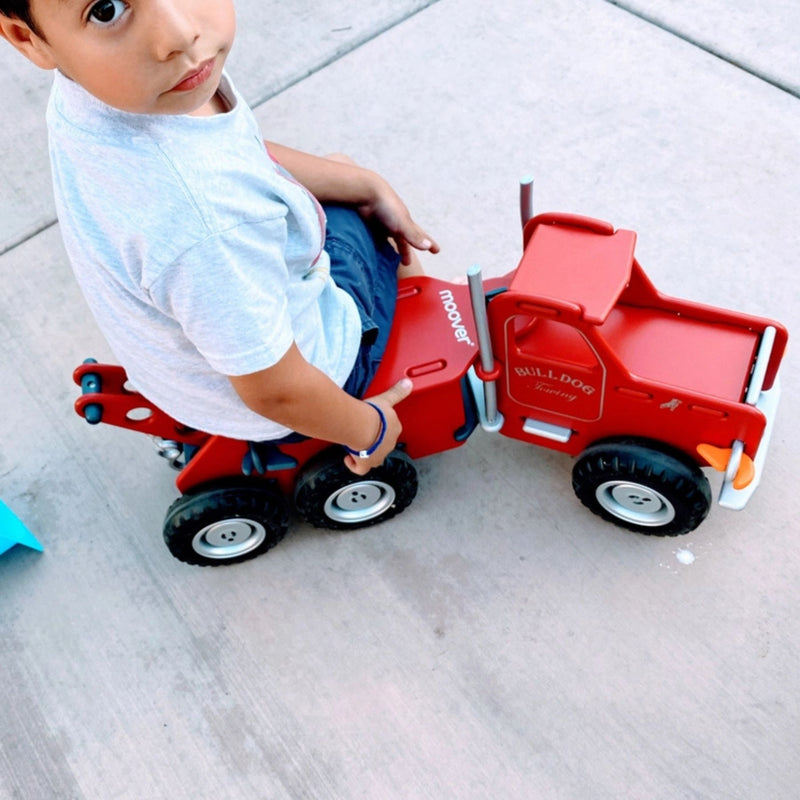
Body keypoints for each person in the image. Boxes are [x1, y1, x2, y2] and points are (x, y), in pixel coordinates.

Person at [0, 0, 439, 475]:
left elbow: (235, 155)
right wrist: (370, 430)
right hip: (308, 380)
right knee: (368, 221)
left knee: (347, 176)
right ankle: (407, 312)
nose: (179, 33)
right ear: (28, 39)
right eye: (106, 9)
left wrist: (367, 184)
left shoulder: (108, 87)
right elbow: (277, 389)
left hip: (195, 375)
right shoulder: (202, 221)